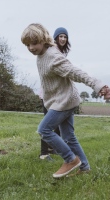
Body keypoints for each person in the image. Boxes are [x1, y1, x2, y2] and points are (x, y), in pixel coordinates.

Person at [21, 23, 105, 178]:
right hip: (60, 99)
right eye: (27, 45)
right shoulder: (41, 55)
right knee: (68, 137)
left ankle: (70, 159)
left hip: (64, 101)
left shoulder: (53, 57)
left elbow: (75, 72)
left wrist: (96, 84)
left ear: (43, 40)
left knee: (44, 130)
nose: (31, 48)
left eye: (34, 43)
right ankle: (85, 167)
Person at [39, 27, 71, 161]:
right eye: (60, 36)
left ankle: (52, 148)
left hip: (58, 95)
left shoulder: (61, 53)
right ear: (55, 38)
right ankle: (43, 153)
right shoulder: (51, 51)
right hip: (48, 94)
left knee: (57, 124)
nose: (63, 39)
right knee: (47, 125)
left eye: (65, 37)